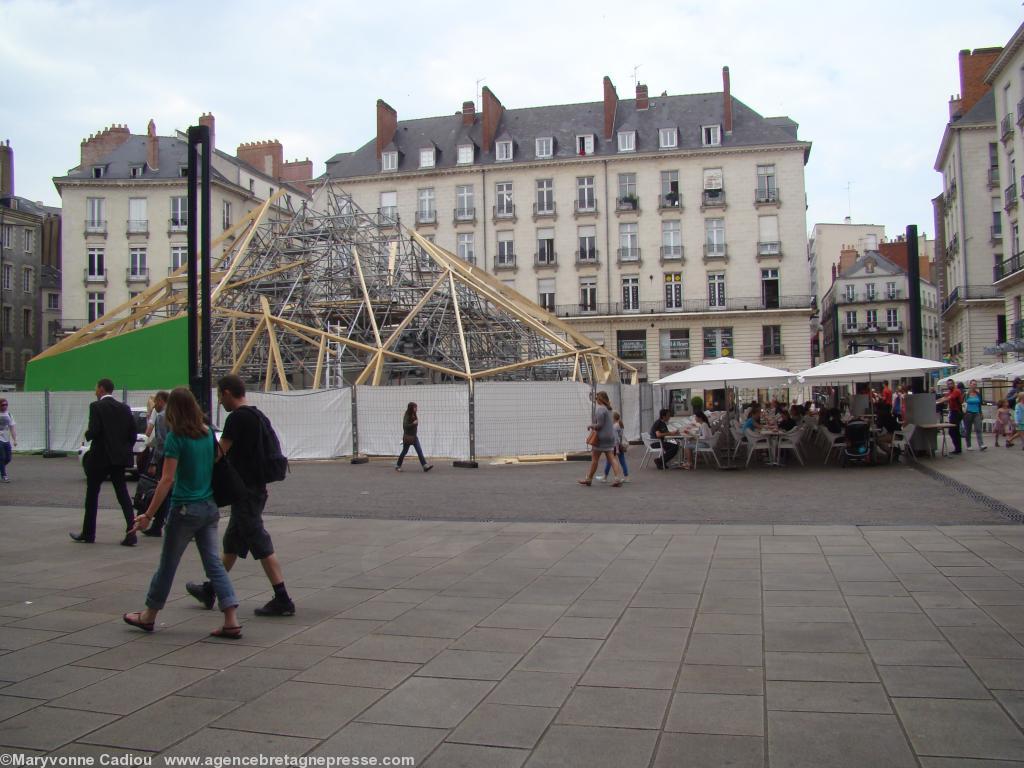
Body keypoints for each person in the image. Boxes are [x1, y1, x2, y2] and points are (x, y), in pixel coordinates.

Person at [123, 387, 241, 639]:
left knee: (168, 564)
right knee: (214, 564)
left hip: (184, 508)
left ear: (174, 410)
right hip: (209, 506)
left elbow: (167, 480)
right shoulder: (207, 434)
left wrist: (148, 515)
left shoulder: (176, 438)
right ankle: (231, 618)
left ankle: (149, 615)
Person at [186, 375, 295, 617]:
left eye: (219, 395)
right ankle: (211, 590)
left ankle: (283, 598)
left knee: (260, 541)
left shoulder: (236, 418)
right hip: (254, 488)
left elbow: (218, 453)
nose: (219, 401)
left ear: (227, 392)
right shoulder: (257, 415)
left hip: (245, 491)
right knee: (232, 543)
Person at [71, 378, 139, 546]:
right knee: (123, 495)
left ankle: (88, 533)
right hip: (119, 458)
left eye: (96, 387)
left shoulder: (96, 406)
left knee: (92, 495)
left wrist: (87, 434)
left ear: (101, 389)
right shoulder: (124, 408)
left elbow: (95, 430)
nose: (95, 390)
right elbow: (132, 433)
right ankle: (131, 532)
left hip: (100, 457)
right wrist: (123, 449)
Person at [142, 391, 170, 537]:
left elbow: (161, 442)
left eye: (156, 402)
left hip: (166, 459)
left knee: (163, 491)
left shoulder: (161, 416)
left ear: (160, 400)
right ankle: (159, 524)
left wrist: (153, 462)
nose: (154, 406)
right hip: (178, 459)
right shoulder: (176, 415)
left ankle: (158, 524)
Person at [579, 391, 623, 486]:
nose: (596, 400)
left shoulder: (600, 410)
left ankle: (589, 479)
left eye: (596, 398)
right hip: (610, 437)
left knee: (595, 460)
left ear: (600, 399)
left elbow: (599, 425)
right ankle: (617, 478)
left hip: (600, 438)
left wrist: (591, 426)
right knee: (612, 459)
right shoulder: (610, 409)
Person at [395, 402, 433, 472]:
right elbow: (405, 426)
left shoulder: (414, 414)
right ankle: (398, 466)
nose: (416, 409)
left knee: (419, 451)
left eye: (416, 407)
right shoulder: (407, 415)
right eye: (415, 407)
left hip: (414, 437)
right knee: (404, 452)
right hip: (408, 437)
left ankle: (425, 466)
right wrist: (413, 424)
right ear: (411, 408)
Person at [597, 411, 629, 483]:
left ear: (613, 418)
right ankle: (626, 477)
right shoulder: (620, 424)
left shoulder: (615, 426)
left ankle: (605, 477)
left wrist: (616, 449)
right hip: (620, 446)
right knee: (622, 461)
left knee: (609, 461)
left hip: (615, 446)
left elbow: (616, 439)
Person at [935, 379, 963, 455]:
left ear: (953, 384)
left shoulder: (956, 391)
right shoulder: (950, 392)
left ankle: (958, 449)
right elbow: (944, 398)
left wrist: (936, 402)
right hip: (953, 412)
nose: (949, 385)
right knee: (953, 431)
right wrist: (935, 401)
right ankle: (958, 448)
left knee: (953, 430)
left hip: (957, 413)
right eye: (948, 384)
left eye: (951, 384)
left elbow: (948, 398)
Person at [962, 380, 986, 451]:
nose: (974, 386)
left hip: (976, 413)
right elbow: (962, 404)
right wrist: (963, 413)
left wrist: (981, 413)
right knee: (968, 430)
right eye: (973, 384)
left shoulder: (978, 394)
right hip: (968, 413)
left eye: (975, 384)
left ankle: (981, 445)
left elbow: (979, 404)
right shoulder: (966, 394)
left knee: (978, 429)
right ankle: (969, 445)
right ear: (970, 385)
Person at [0, 398, 16, 482]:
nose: (5, 406)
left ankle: (1, 468)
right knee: (2, 457)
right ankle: (4, 476)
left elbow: (12, 427)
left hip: (6, 439)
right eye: (3, 405)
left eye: (6, 404)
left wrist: (15, 439)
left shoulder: (9, 414)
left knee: (8, 458)